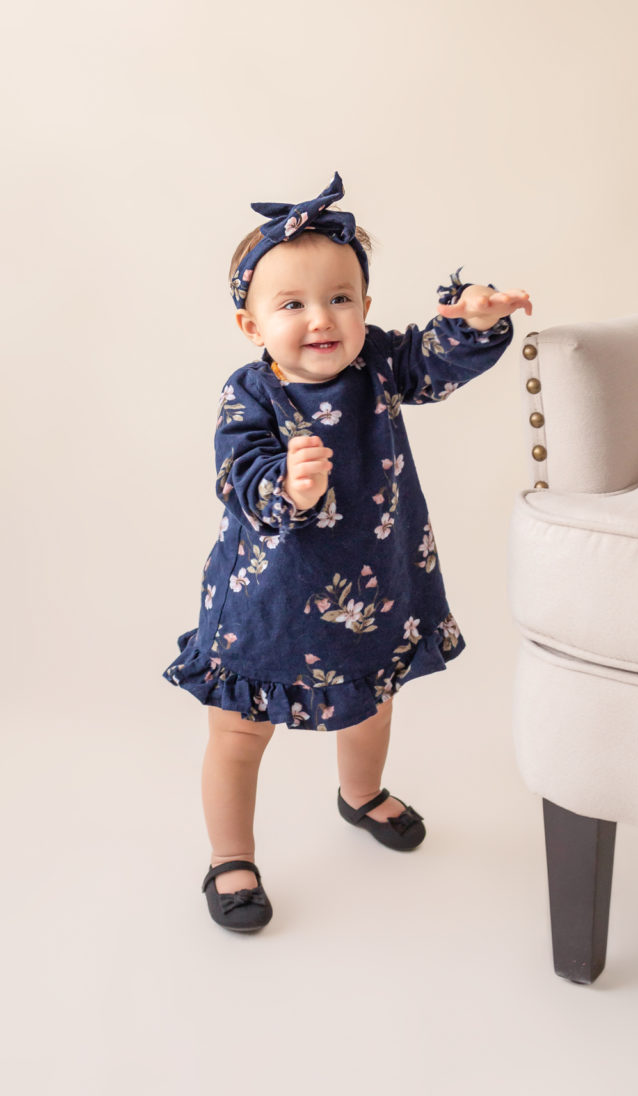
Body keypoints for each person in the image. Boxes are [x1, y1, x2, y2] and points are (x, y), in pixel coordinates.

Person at [163, 172, 532, 932]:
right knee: (238, 730)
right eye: (291, 304)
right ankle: (230, 855)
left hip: (374, 595)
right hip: (266, 603)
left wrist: (473, 324)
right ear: (250, 325)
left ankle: (359, 793)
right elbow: (235, 474)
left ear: (365, 308)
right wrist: (283, 486)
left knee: (370, 704)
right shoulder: (252, 395)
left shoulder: (379, 368)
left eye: (340, 298)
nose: (320, 318)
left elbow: (434, 365)